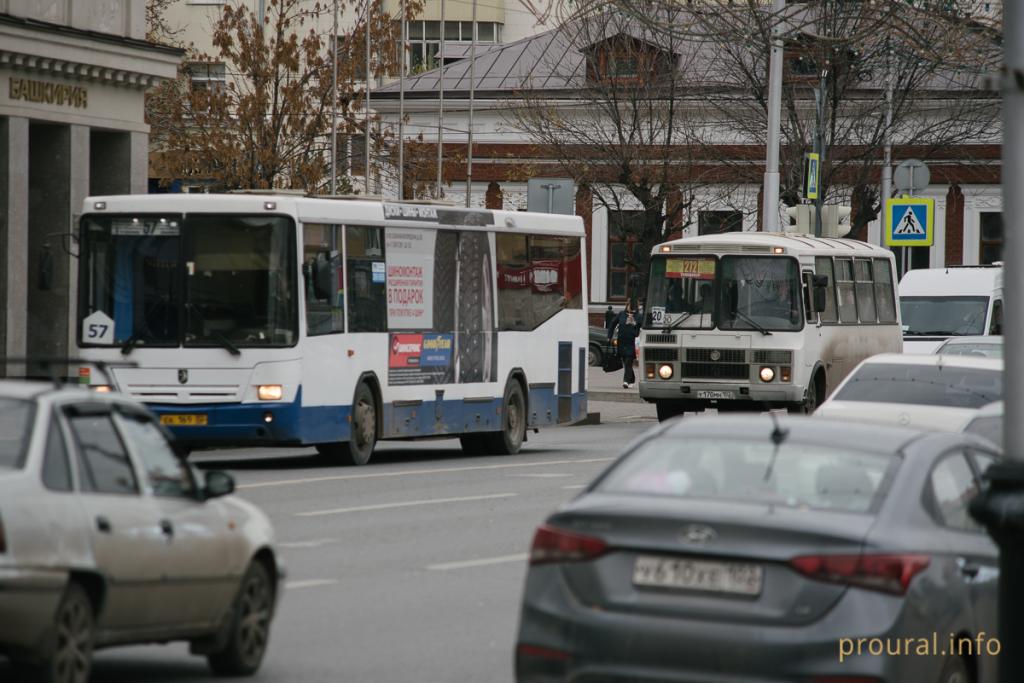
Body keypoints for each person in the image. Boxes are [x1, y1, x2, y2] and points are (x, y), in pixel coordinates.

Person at [608, 303, 639, 388]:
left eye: (633, 306)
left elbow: (641, 327)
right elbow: (613, 323)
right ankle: (632, 379)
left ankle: (625, 381)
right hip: (621, 341)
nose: (631, 307)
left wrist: (634, 323)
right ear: (627, 306)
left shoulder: (638, 316)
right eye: (629, 305)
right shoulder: (621, 314)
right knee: (625, 361)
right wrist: (609, 336)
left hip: (632, 342)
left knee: (629, 360)